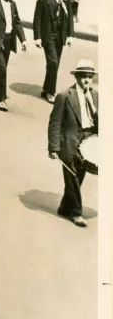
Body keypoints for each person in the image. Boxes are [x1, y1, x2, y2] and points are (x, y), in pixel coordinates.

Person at [47, 59, 98, 228]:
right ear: (76, 77)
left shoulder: (96, 95)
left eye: (89, 77)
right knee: (73, 178)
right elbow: (55, 123)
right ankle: (76, 213)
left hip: (88, 141)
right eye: (83, 76)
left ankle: (64, 207)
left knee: (79, 176)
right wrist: (53, 147)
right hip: (69, 142)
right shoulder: (64, 96)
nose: (86, 80)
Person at [33, 0, 74, 104]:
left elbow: (70, 18)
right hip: (48, 36)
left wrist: (70, 35)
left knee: (54, 65)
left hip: (60, 37)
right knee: (53, 63)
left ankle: (46, 88)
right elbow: (37, 18)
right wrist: (37, 37)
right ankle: (51, 92)